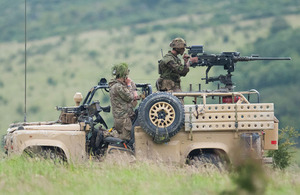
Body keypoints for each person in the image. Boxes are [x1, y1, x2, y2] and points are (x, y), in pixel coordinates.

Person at [109, 62, 138, 140]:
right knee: (125, 139)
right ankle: (107, 135)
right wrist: (129, 85)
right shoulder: (118, 87)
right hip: (123, 119)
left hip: (125, 117)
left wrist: (132, 87)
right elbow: (130, 97)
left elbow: (132, 85)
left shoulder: (120, 85)